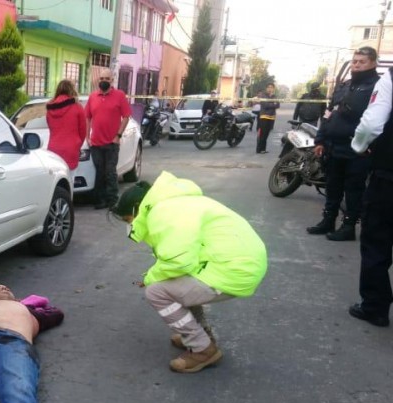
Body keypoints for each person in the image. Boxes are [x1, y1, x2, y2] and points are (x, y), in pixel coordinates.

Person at [110, 171, 268, 373]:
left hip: (232, 268)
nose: (130, 225)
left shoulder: (163, 212)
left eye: (128, 219)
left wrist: (150, 278)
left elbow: (178, 260)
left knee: (156, 292)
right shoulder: (177, 202)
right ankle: (200, 334)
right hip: (237, 262)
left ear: (136, 209)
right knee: (173, 282)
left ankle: (203, 349)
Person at [307, 47, 380, 242]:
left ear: (373, 63)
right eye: (355, 61)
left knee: (354, 190)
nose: (357, 65)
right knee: (333, 186)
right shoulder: (346, 85)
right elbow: (329, 113)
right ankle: (328, 220)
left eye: (362, 61)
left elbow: (379, 120)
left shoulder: (378, 87)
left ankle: (348, 226)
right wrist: (321, 139)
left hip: (358, 149)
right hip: (333, 146)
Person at [348, 64, 393, 327]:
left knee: (377, 242)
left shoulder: (389, 78)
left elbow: (373, 121)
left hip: (388, 177)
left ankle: (375, 307)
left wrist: (360, 145)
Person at [85, 71, 133, 209]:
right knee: (99, 171)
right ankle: (100, 200)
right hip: (96, 143)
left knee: (110, 171)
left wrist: (118, 135)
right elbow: (87, 117)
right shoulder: (93, 97)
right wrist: (87, 136)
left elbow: (126, 116)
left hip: (112, 142)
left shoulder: (119, 96)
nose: (104, 80)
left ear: (112, 80)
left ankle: (112, 200)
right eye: (101, 78)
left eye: (107, 78)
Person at [46, 79, 86, 174]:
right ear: (72, 90)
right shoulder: (77, 107)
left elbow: (51, 128)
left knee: (57, 182)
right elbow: (83, 131)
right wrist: (77, 145)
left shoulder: (50, 109)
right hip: (71, 150)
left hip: (53, 149)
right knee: (70, 182)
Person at [255, 83, 279, 153]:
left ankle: (263, 149)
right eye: (268, 87)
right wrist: (273, 104)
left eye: (271, 87)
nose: (270, 89)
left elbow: (278, 105)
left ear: (273, 89)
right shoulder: (263, 95)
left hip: (272, 117)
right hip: (264, 116)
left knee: (267, 134)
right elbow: (265, 105)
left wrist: (272, 104)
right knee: (262, 133)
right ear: (266, 88)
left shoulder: (275, 96)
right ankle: (259, 149)